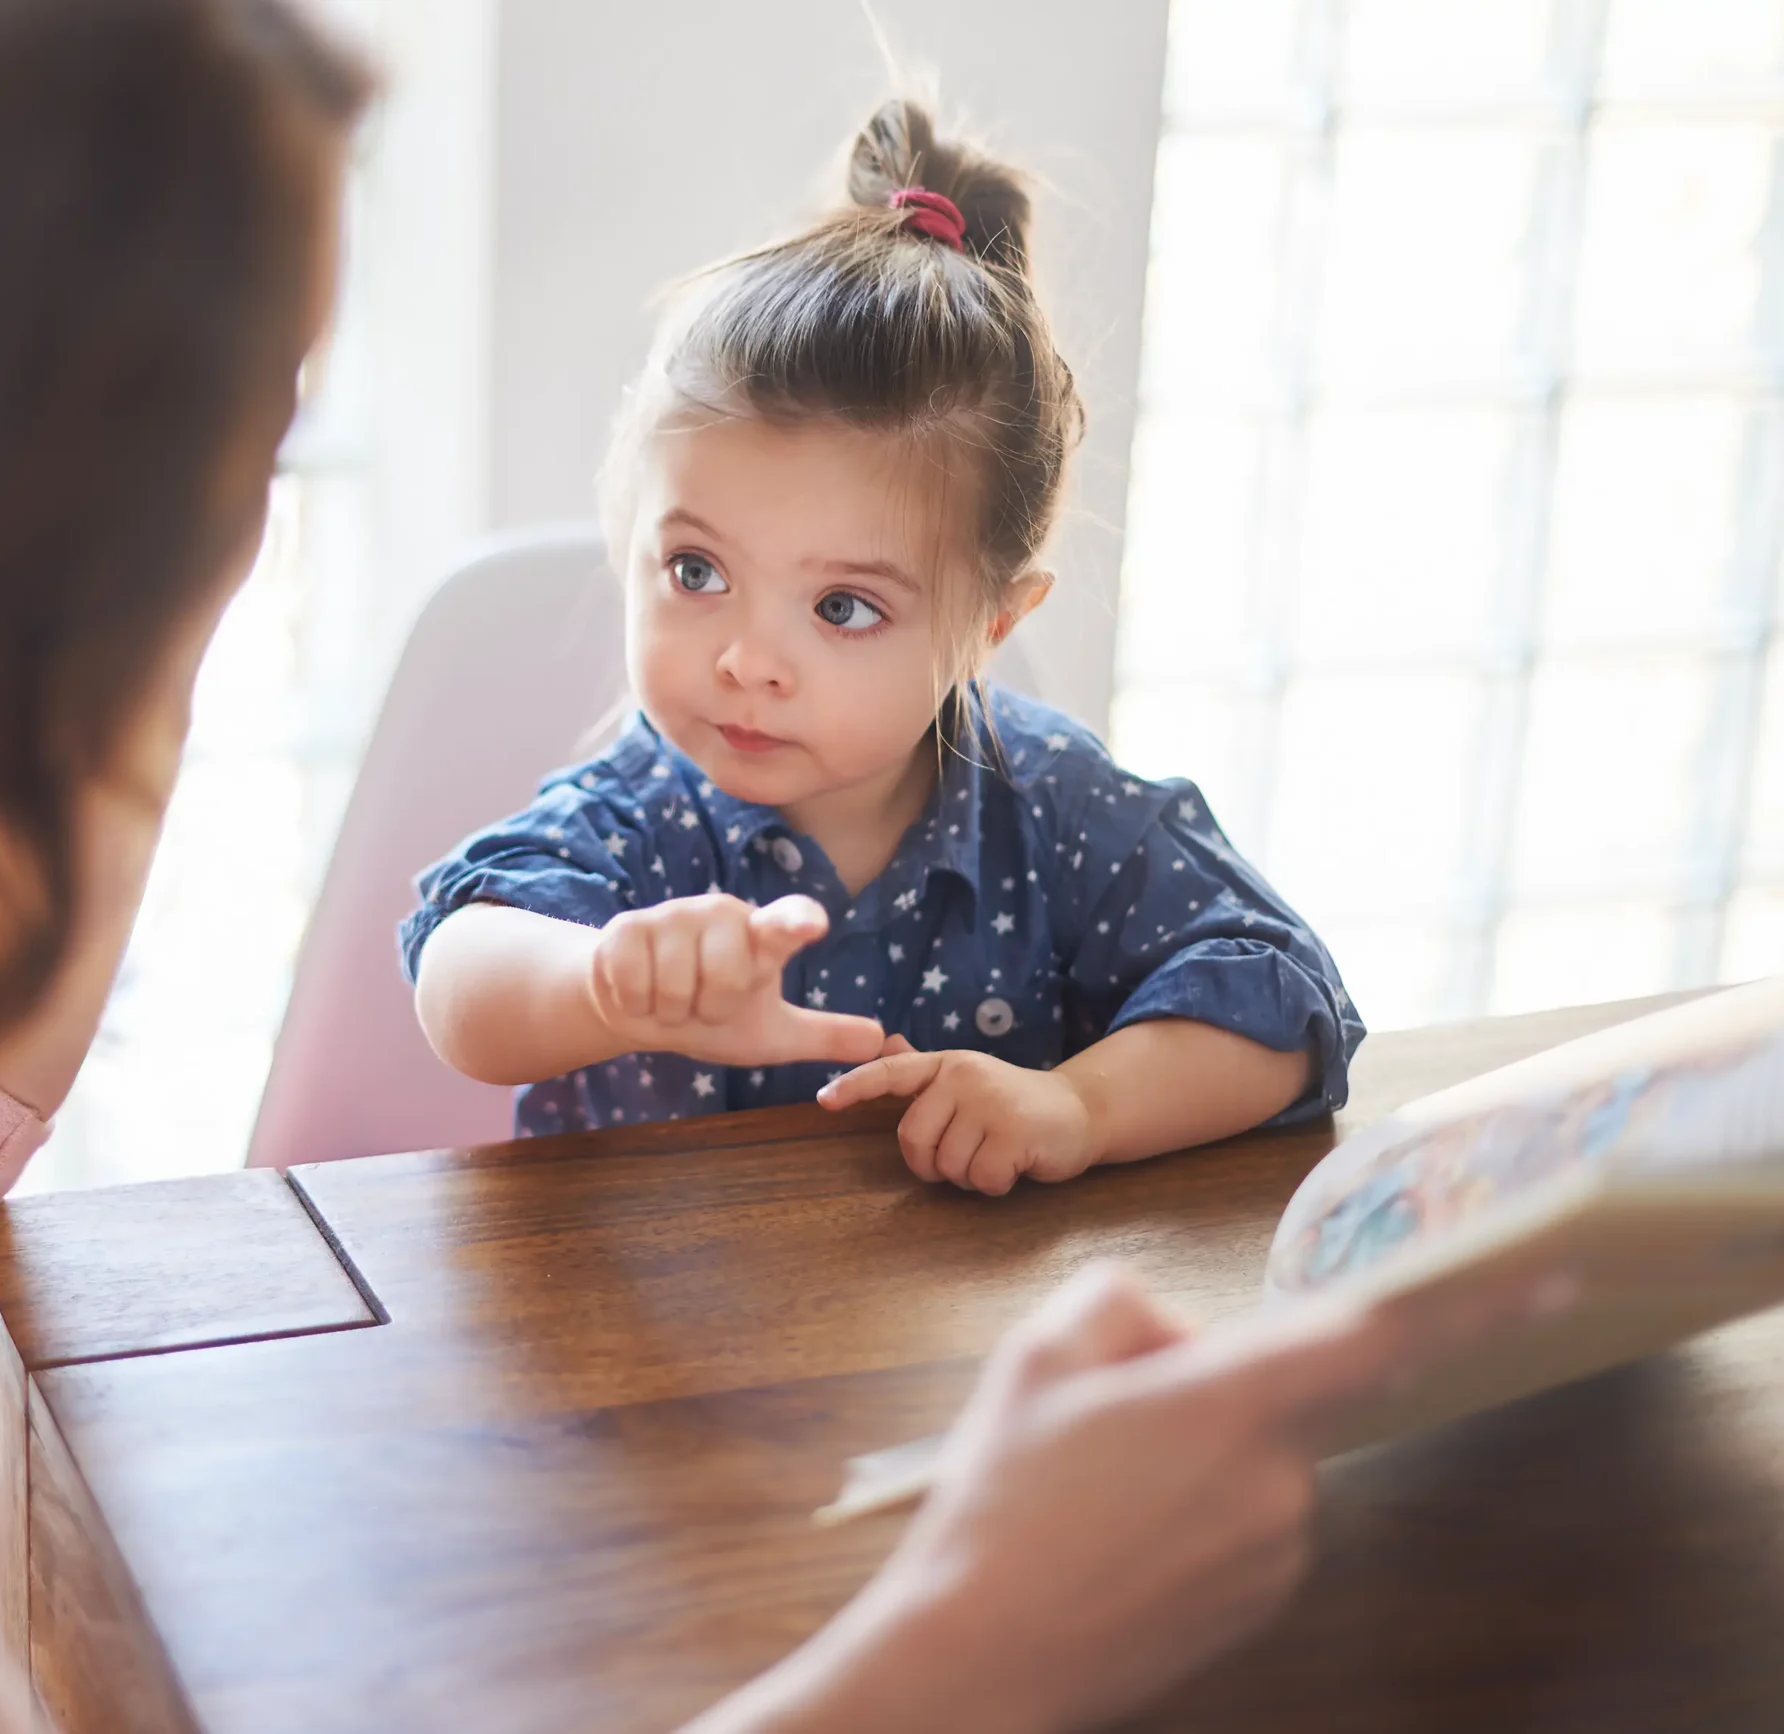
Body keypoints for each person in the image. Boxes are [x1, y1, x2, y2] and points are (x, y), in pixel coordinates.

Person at [0, 4, 1531, 1729]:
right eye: (221, 457)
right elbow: (455, 961)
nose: (234, 544)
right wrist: (977, 1645)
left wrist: (125, 670)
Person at [404, 100, 1360, 1197]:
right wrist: (604, 982)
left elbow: (1284, 1001)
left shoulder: (1054, 808)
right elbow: (458, 978)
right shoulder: (637, 818)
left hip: (959, 1310)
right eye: (696, 572)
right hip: (636, 1304)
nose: (746, 661)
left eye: (842, 608)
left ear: (990, 627)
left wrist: (1082, 1105)